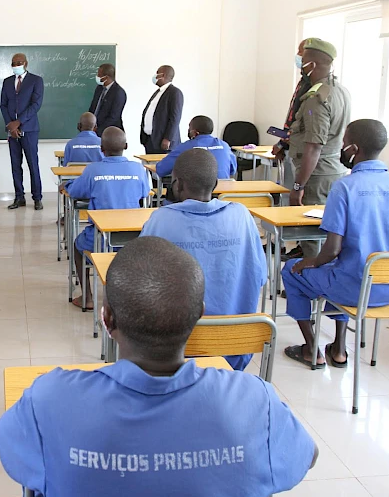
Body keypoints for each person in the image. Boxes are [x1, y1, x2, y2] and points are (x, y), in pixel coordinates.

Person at [0, 236, 317, 497]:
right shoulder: (253, 400)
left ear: (107, 319)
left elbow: (17, 457)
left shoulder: (50, 399)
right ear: (198, 315)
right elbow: (305, 456)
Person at [281, 119, 389, 368]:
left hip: (353, 289)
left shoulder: (344, 188)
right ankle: (338, 349)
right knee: (339, 269)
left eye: (344, 143)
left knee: (293, 270)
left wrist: (309, 261)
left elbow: (331, 250)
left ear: (354, 149)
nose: (341, 148)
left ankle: (311, 349)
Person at [140, 148, 266, 370]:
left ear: (177, 184)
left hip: (176, 346)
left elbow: (140, 282)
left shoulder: (161, 220)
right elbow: (260, 275)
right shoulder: (242, 216)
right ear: (216, 184)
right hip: (235, 344)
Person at [63, 127, 149, 309]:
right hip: (134, 240)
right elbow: (143, 194)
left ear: (101, 149)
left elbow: (75, 192)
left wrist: (67, 185)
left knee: (77, 246)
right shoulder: (138, 169)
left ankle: (87, 297)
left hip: (100, 239)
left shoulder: (93, 170)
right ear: (126, 146)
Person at [287, 38, 351, 260]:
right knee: (327, 232)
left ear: (311, 64)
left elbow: (313, 147)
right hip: (332, 170)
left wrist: (298, 186)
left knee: (312, 236)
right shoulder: (340, 91)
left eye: (302, 59)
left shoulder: (316, 99)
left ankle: (312, 287)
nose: (299, 63)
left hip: (316, 174)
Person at [1, 53, 44, 210]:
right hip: (12, 132)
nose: (16, 65)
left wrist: (18, 123)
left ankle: (37, 198)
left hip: (30, 129)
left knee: (33, 164)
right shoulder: (7, 82)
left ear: (25, 63)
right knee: (15, 165)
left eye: (19, 62)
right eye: (13, 63)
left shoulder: (36, 80)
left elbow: (36, 104)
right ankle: (19, 197)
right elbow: (3, 105)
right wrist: (10, 125)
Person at [272, 39, 312, 193]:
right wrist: (282, 144)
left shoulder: (312, 88)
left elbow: (300, 122)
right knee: (287, 192)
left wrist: (283, 143)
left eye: (300, 52)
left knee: (293, 194)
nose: (297, 56)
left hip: (301, 153)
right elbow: (293, 117)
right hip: (292, 147)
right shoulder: (303, 82)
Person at [155, 116, 236, 180]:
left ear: (194, 132)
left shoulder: (185, 147)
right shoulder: (224, 146)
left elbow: (161, 169)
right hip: (222, 195)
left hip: (195, 196)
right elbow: (233, 170)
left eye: (189, 128)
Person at [140, 65, 183, 154]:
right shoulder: (158, 92)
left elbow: (175, 118)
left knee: (162, 167)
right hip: (151, 140)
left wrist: (168, 138)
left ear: (162, 75)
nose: (155, 76)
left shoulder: (174, 92)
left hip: (163, 143)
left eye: (157, 74)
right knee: (150, 167)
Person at [89, 63, 126, 136]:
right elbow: (93, 108)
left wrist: (98, 131)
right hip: (94, 131)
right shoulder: (99, 88)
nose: (97, 76)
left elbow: (114, 117)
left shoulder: (118, 93)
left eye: (99, 75)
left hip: (110, 134)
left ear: (107, 77)